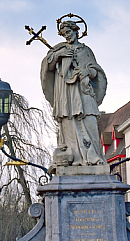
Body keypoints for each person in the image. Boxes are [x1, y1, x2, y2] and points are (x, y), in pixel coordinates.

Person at [40, 17, 108, 168]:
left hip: (84, 93)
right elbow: (48, 65)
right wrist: (59, 55)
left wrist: (86, 71)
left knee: (90, 122)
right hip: (66, 94)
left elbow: (96, 70)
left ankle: (94, 158)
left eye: (69, 32)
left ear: (76, 31)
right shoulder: (59, 49)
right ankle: (74, 158)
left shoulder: (86, 50)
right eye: (64, 34)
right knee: (69, 123)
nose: (67, 36)